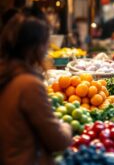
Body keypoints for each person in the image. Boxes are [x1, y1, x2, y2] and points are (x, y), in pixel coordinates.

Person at [0, 13, 72, 165]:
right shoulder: (28, 85)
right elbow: (57, 141)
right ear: (37, 47)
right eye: (47, 43)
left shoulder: (7, 74)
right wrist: (66, 126)